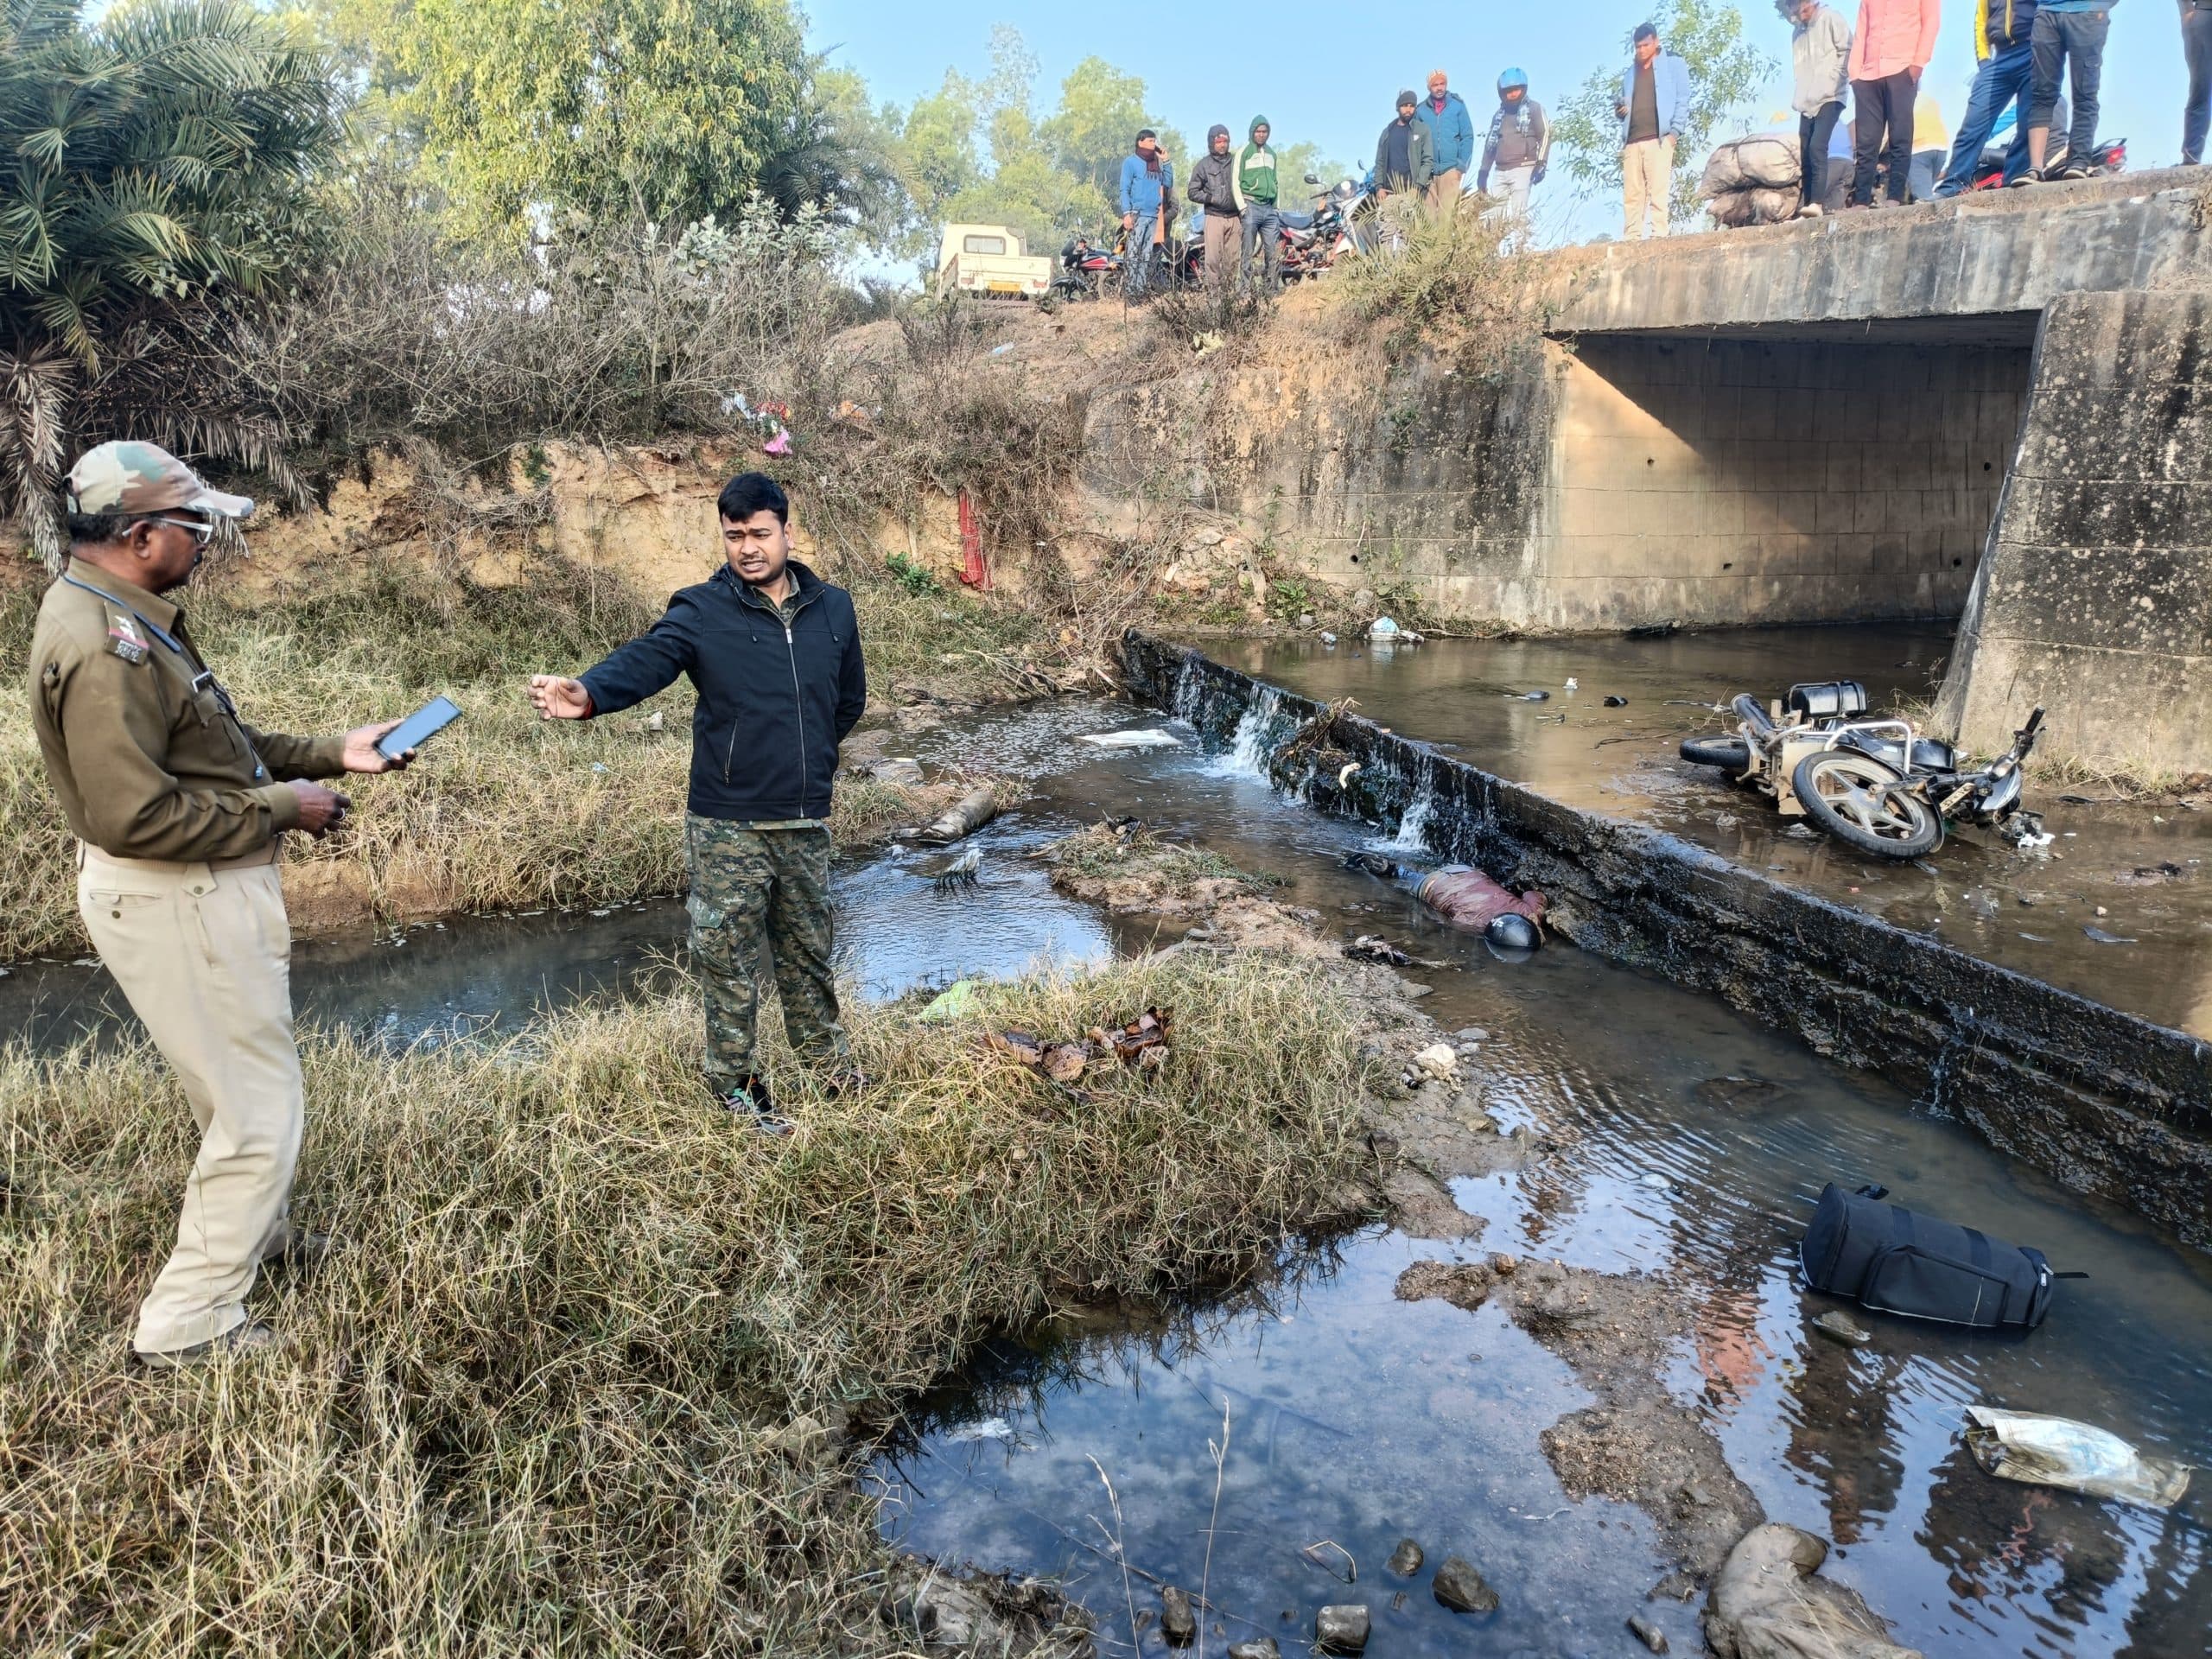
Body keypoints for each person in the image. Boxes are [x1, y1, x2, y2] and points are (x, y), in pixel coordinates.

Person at [28, 442, 413, 1367]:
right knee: (258, 1106)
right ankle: (189, 1322)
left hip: (191, 893)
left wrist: (327, 752)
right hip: (178, 894)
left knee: (229, 1084)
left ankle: (258, 1238)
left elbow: (208, 747)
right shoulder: (102, 646)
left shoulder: (119, 608)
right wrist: (289, 807)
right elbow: (136, 816)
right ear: (145, 534)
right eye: (196, 526)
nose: (207, 541)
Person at [527, 474, 865, 1135]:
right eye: (734, 536)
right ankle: (737, 1083)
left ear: (788, 534)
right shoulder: (702, 609)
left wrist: (811, 757)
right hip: (728, 823)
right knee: (728, 957)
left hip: (804, 817)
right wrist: (590, 693)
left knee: (808, 951)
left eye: (760, 534)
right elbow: (649, 659)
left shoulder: (835, 607)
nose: (747, 548)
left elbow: (848, 699)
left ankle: (828, 1066)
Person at [1936, 0, 2037, 193]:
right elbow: (1981, 20)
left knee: (2027, 121)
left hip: (2031, 51)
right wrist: (1983, 60)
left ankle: (2014, 180)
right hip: (1998, 59)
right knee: (1972, 125)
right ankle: (1952, 185)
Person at [1847, 0, 1942, 207]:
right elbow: (1861, 32)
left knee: (1900, 137)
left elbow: (1931, 21)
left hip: (1902, 67)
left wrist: (1918, 63)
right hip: (1868, 76)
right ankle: (1860, 201)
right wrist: (1854, 74)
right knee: (1866, 142)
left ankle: (1894, 198)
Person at [2017, 0, 2111, 182]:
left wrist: (2101, 5)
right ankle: (2034, 169)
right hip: (2047, 12)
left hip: (2089, 12)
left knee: (2084, 94)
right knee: (2042, 94)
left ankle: (2078, 163)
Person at [1615, 22, 1693, 237]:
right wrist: (1621, 112)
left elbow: (1683, 99)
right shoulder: (1630, 73)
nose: (1642, 50)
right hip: (1632, 140)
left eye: (1646, 45)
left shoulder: (1673, 64)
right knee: (1632, 195)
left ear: (1656, 42)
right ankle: (1632, 239)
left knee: (1658, 192)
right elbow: (1624, 105)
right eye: (1638, 46)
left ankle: (1659, 236)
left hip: (1659, 138)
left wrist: (1674, 133)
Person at [1784, 0, 1853, 216]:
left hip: (1831, 95)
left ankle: (1817, 202)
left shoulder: (1831, 18)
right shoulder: (1797, 34)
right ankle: (1807, 204)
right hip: (1806, 100)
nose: (1801, 15)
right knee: (1805, 151)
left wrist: (1836, 78)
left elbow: (1847, 49)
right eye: (1797, 11)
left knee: (1817, 146)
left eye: (1804, 10)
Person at [1476, 68, 1552, 219]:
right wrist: (1483, 172)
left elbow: (1546, 135)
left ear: (1523, 88)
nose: (1513, 94)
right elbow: (1490, 145)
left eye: (1516, 89)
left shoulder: (1534, 108)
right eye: (1508, 91)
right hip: (1500, 171)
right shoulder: (1499, 115)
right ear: (1501, 93)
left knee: (1519, 214)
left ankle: (1521, 243)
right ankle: (1493, 244)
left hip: (1523, 168)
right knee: (1492, 216)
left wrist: (1541, 163)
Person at [1117, 130, 1175, 296]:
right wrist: (1126, 213)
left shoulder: (1156, 163)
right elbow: (1124, 189)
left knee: (1146, 256)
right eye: (1150, 141)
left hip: (1153, 215)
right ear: (1140, 142)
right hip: (1137, 214)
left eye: (1154, 141)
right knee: (1133, 254)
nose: (1153, 144)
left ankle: (1139, 291)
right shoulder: (1131, 162)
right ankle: (1130, 292)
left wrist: (1167, 162)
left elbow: (1168, 182)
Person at [1188, 124, 1242, 288]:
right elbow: (1192, 192)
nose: (1222, 144)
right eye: (1218, 141)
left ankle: (1229, 297)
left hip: (1235, 218)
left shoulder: (1237, 162)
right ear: (1211, 142)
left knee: (1233, 260)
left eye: (1225, 141)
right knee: (1213, 260)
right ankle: (1214, 298)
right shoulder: (1203, 165)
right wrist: (1211, 198)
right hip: (1214, 218)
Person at [1416, 69, 1477, 213]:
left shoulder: (1457, 105)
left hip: (1450, 169)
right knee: (1427, 218)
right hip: (1428, 172)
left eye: (1442, 83)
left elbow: (1467, 135)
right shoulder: (1421, 110)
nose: (1439, 87)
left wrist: (1461, 166)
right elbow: (1414, 142)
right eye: (1435, 85)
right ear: (1429, 87)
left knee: (1446, 217)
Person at [1234, 116, 1283, 290]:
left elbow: (1275, 181)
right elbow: (1235, 181)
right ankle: (1245, 289)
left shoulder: (1271, 154)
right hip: (1251, 205)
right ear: (1252, 132)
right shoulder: (1244, 152)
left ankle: (1272, 289)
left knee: (1273, 252)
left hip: (1269, 209)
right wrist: (1242, 208)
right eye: (1258, 131)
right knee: (1247, 251)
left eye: (1265, 132)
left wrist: (1276, 208)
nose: (1261, 135)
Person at [1375, 89, 1436, 197]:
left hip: (1413, 192)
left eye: (1412, 106)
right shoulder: (1387, 132)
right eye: (1405, 105)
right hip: (1390, 193)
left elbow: (1428, 160)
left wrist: (1418, 186)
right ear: (1398, 107)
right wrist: (1379, 187)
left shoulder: (1422, 129)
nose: (1408, 109)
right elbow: (1380, 162)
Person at [2187, 0, 2212, 163]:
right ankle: (2191, 155)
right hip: (2203, 14)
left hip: (2202, 15)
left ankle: (2191, 156)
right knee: (2200, 87)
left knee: (2200, 87)